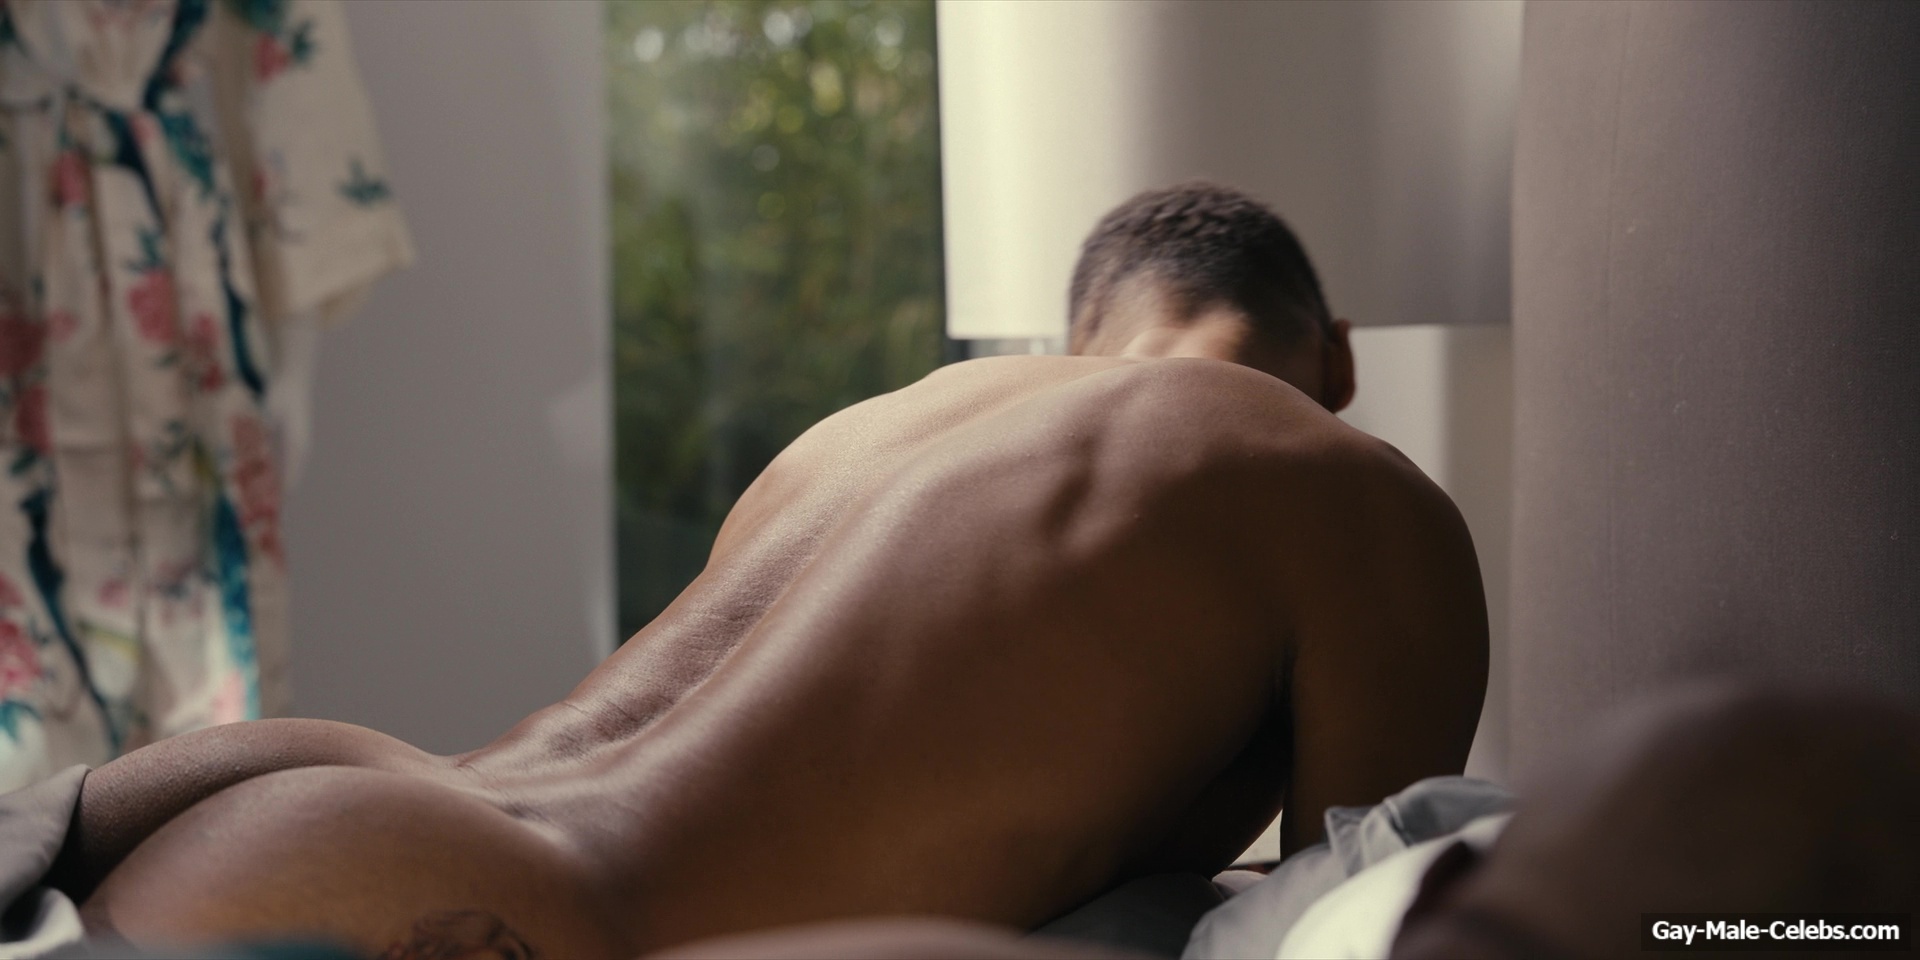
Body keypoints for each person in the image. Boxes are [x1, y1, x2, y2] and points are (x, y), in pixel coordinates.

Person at [28, 183, 1488, 959]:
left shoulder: (893, 422)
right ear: (1339, 355)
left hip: (324, 795)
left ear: (1078, 337)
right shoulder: (1361, 503)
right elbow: (1340, 916)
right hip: (523, 926)